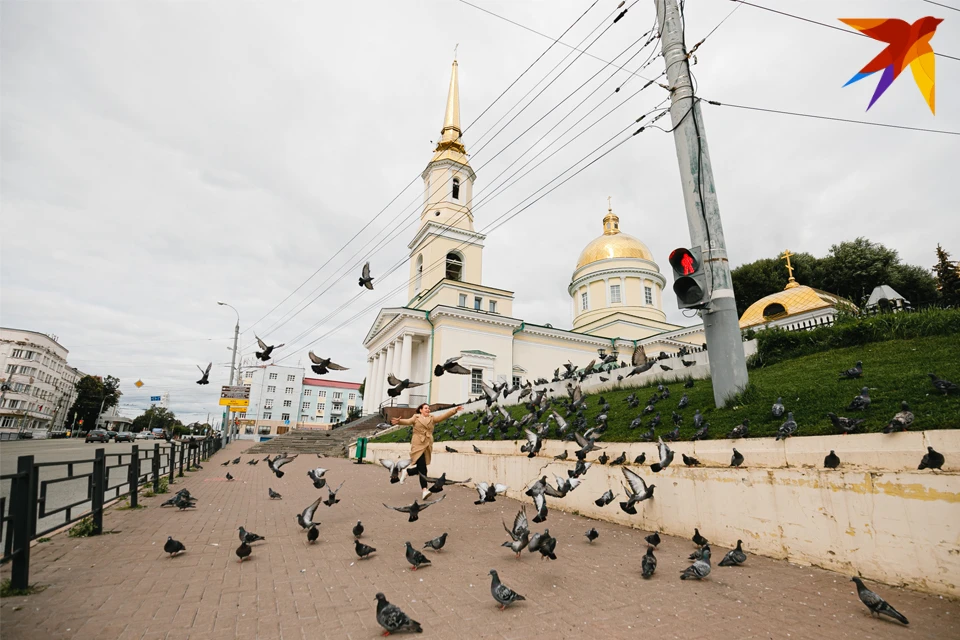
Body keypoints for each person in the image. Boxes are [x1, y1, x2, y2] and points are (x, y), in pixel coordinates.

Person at [391, 403, 464, 500]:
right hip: (417, 444)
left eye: (428, 408)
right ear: (420, 410)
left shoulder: (432, 418)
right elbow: (408, 421)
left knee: (422, 467)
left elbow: (442, 417)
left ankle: (407, 471)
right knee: (423, 469)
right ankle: (424, 490)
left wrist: (454, 410)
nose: (428, 410)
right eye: (425, 408)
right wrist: (399, 421)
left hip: (427, 445)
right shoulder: (416, 417)